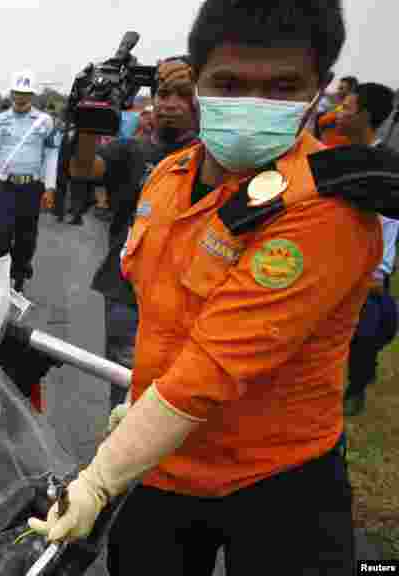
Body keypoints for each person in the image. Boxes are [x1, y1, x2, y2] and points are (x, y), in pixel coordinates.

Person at [29, 2, 374, 575]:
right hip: (165, 465)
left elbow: (211, 370)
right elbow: (165, 314)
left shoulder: (325, 208)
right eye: (230, 84)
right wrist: (139, 407)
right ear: (198, 80)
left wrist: (98, 481)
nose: (252, 105)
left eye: (283, 87)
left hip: (277, 475)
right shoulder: (168, 178)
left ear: (321, 88)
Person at [71, 57, 198, 410]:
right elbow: (83, 168)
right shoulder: (130, 150)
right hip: (125, 290)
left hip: (187, 293)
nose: (171, 104)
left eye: (183, 96)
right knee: (125, 384)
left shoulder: (211, 159)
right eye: (164, 94)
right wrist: (89, 117)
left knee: (177, 390)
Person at [336, 81, 399, 417]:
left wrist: (376, 273)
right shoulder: (336, 156)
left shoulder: (385, 169)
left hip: (364, 277)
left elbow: (388, 225)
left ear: (363, 116)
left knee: (365, 331)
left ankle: (357, 386)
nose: (338, 112)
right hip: (334, 266)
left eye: (346, 107)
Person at [0, 70, 60, 293]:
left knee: (26, 236)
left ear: (32, 96)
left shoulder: (45, 122)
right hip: (6, 185)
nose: (21, 98)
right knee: (2, 232)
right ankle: (1, 272)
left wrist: (50, 187)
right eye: (18, 93)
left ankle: (19, 274)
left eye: (26, 94)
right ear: (11, 94)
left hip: (32, 187)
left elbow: (51, 156)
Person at [315, 75, 358, 148]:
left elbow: (322, 121)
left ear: (351, 90)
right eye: (338, 88)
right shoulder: (339, 106)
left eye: (341, 88)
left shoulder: (348, 110)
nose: (338, 91)